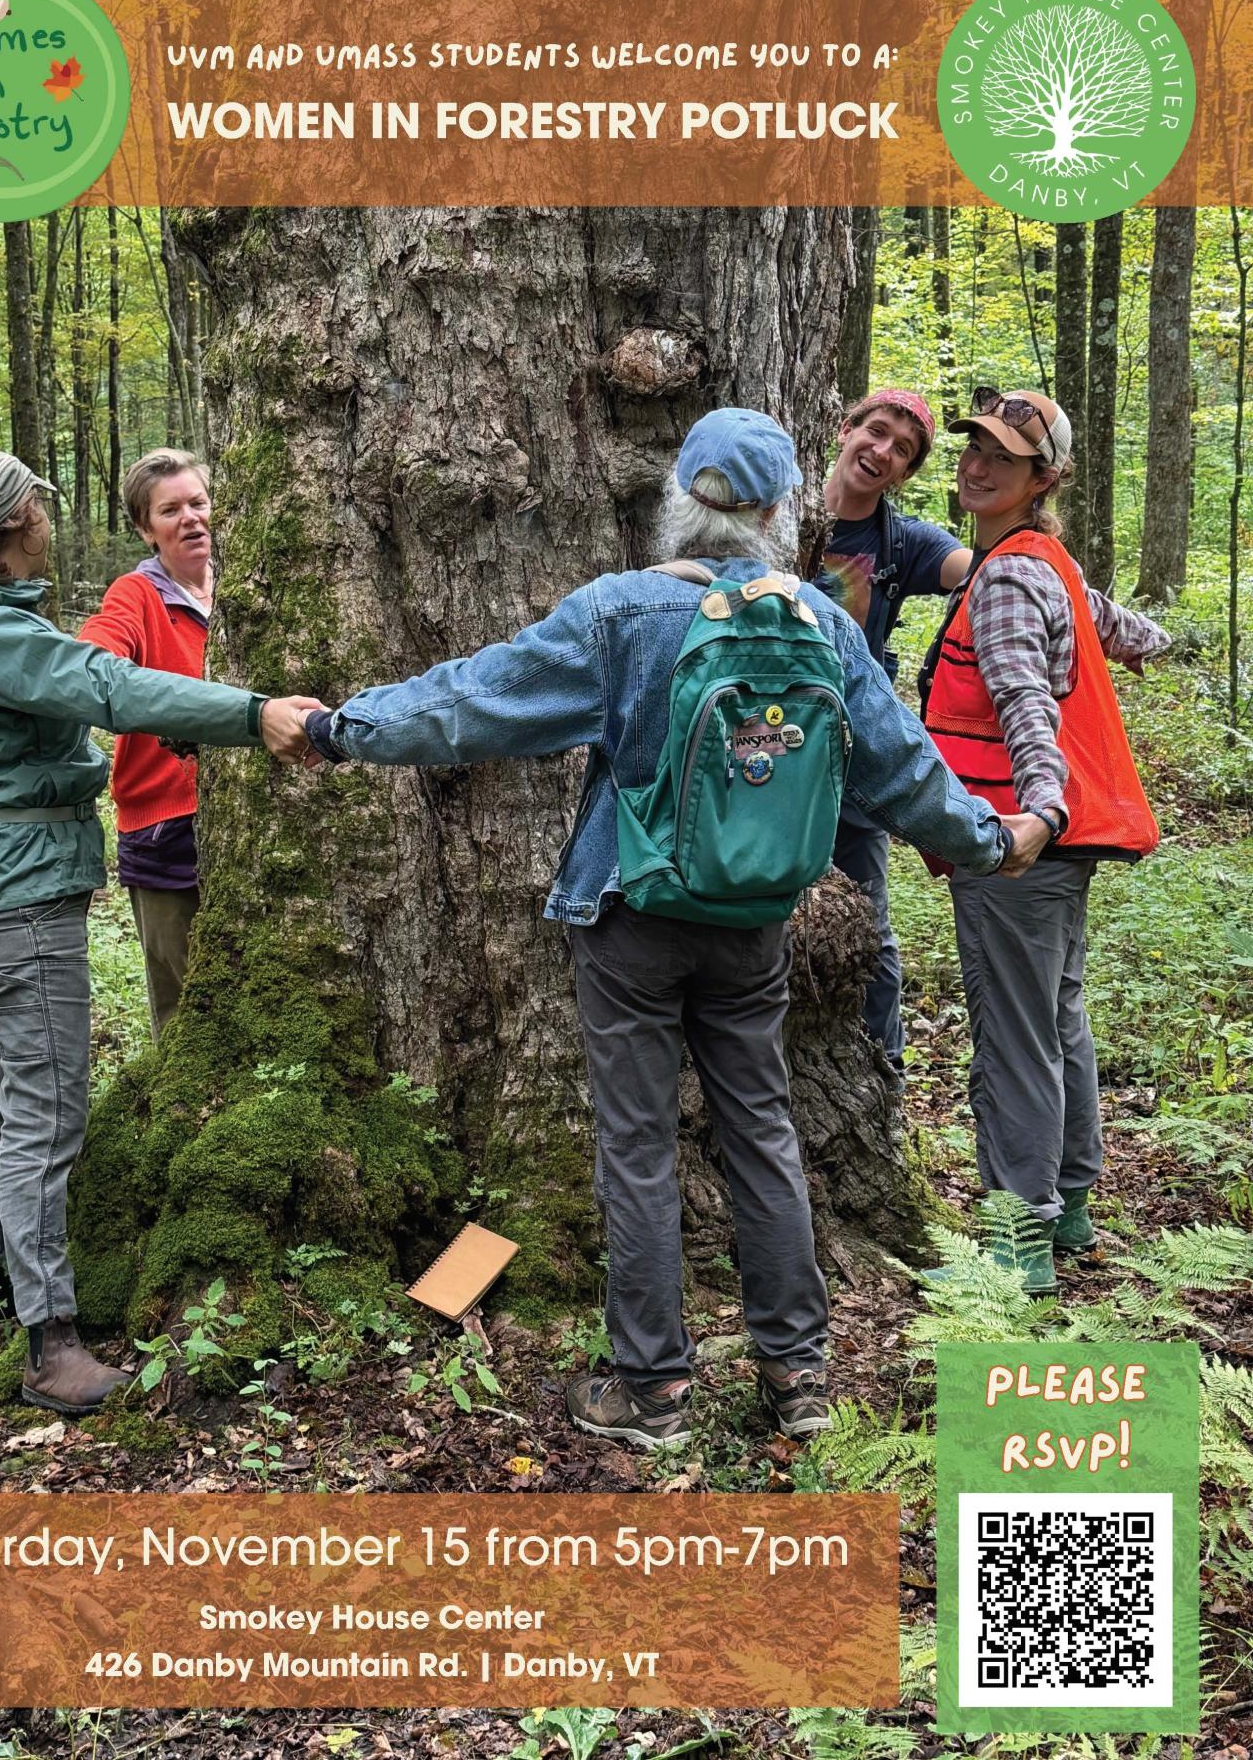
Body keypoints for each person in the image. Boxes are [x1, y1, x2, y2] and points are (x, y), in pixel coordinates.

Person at [274, 409, 1046, 1449]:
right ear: (781, 514)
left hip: (630, 915)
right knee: (764, 1133)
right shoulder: (820, 625)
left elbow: (471, 702)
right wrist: (997, 839)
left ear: (680, 499)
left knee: (637, 1147)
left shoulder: (620, 613)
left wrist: (338, 727)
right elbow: (906, 772)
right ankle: (797, 1373)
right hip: (755, 920)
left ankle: (653, 1389)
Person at [0, 449, 307, 1415]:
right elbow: (110, 686)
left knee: (10, 1091)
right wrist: (251, 714)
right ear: (16, 525)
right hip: (20, 894)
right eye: (41, 506)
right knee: (47, 1109)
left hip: (9, 879)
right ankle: (51, 1342)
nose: (51, 517)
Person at [919, 389, 1169, 1293]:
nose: (977, 466)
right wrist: (1152, 641)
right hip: (1054, 847)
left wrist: (1038, 811)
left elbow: (1025, 701)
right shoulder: (1042, 561)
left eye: (1004, 459)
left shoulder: (1011, 575)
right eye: (974, 448)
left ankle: (1016, 1244)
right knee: (1057, 1016)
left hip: (1019, 842)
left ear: (1044, 478)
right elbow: (1115, 621)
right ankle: (1068, 1205)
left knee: (1016, 1035)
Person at [817, 390, 972, 1069]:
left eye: (902, 450)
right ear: (845, 429)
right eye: (875, 432)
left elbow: (990, 570)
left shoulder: (900, 543)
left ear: (906, 473)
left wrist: (1080, 603)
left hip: (850, 770)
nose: (882, 451)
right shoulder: (774, 509)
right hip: (753, 764)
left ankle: (883, 1076)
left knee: (868, 932)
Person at [78, 449, 216, 1038]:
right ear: (145, 527)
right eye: (170, 510)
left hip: (254, 821)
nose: (190, 519)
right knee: (185, 1005)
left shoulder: (252, 585)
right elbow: (93, 657)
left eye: (198, 503)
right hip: (164, 824)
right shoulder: (137, 595)